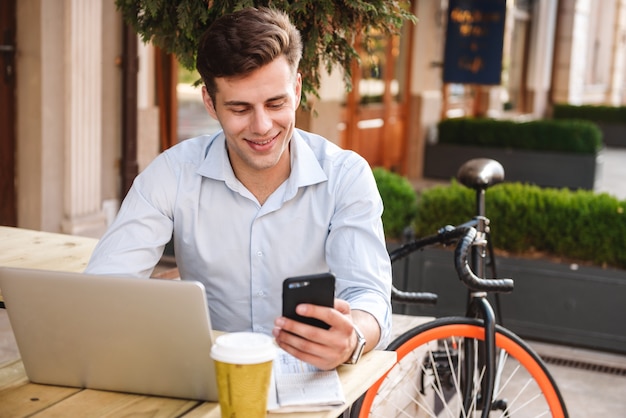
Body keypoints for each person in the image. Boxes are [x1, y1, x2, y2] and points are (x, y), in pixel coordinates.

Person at [86, 7, 392, 370]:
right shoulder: (172, 173)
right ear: (210, 104)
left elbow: (368, 296)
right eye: (240, 108)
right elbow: (104, 290)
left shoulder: (345, 175)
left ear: (296, 90)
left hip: (313, 381)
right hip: (208, 380)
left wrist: (352, 337)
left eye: (275, 103)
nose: (262, 126)